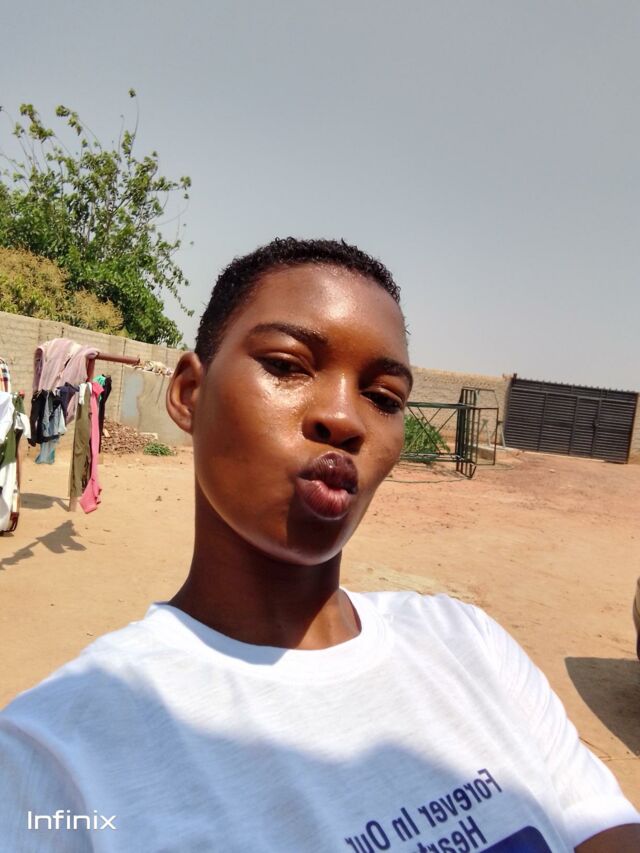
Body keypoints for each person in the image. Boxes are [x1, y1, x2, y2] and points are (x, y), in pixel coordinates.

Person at [0, 238, 638, 852]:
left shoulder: (469, 648)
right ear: (190, 393)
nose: (344, 418)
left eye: (383, 397)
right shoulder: (54, 757)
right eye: (286, 365)